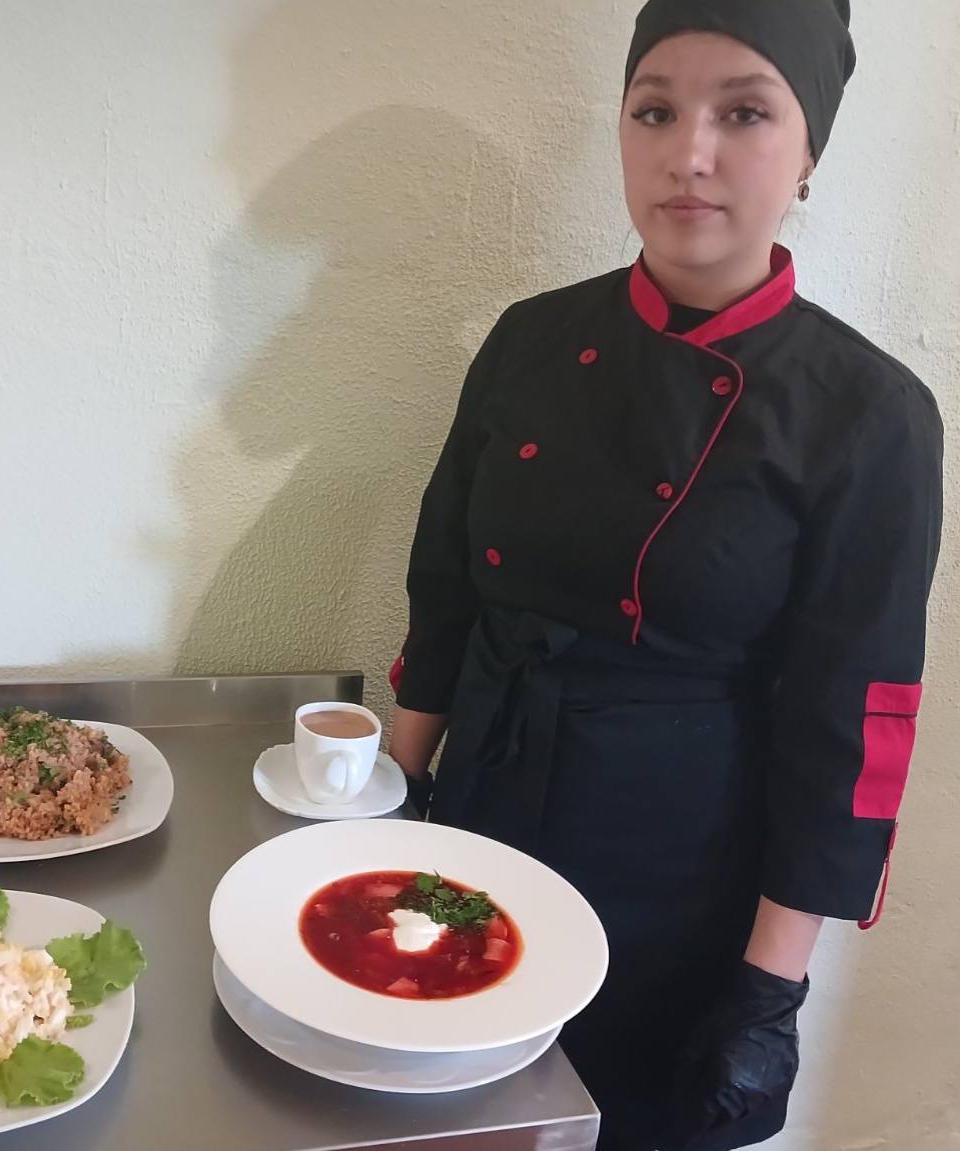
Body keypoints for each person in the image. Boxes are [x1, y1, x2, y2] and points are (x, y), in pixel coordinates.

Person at [386, 2, 944, 1148]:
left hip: (675, 876)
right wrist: (387, 799)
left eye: (742, 113)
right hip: (478, 810)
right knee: (444, 1109)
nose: (687, 153)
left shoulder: (866, 411)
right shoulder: (529, 338)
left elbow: (849, 718)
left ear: (808, 151)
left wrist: (768, 991)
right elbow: (443, 586)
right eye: (653, 111)